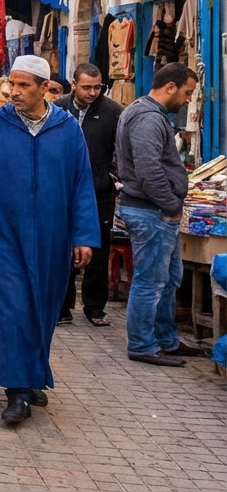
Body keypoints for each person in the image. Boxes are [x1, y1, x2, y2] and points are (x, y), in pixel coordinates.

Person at [0, 55, 98, 423]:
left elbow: (81, 186)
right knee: (12, 311)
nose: (14, 91)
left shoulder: (67, 129)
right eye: (12, 84)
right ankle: (17, 391)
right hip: (5, 234)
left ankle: (33, 374)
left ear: (45, 88)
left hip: (54, 237)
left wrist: (84, 235)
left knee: (43, 310)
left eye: (24, 86)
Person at [118, 62, 200, 367]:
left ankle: (165, 340)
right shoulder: (148, 118)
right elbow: (149, 170)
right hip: (151, 212)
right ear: (170, 87)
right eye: (187, 92)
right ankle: (142, 343)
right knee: (150, 281)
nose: (188, 99)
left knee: (168, 278)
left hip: (155, 211)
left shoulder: (145, 113)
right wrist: (171, 205)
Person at [56, 64, 121, 327]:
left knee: (97, 249)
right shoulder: (58, 108)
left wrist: (111, 178)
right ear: (74, 84)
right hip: (63, 192)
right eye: (87, 87)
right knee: (63, 247)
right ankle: (62, 306)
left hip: (99, 193)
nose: (93, 92)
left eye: (98, 87)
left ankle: (95, 308)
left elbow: (121, 149)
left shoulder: (113, 112)